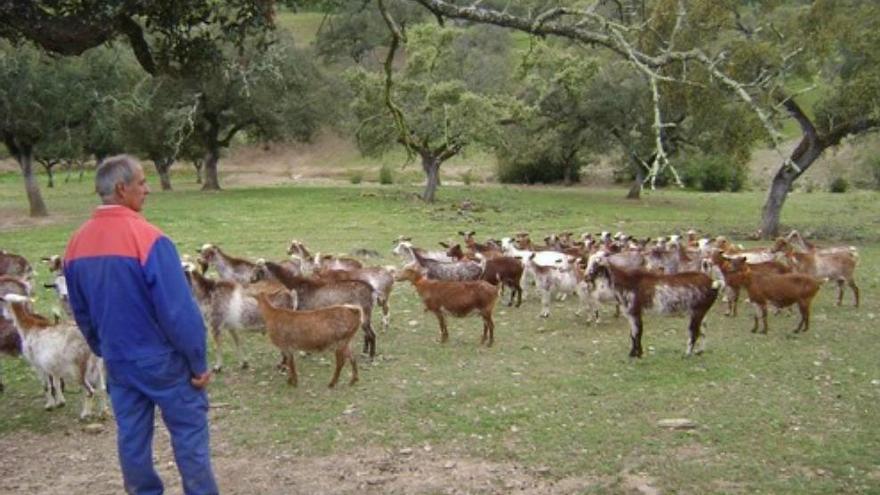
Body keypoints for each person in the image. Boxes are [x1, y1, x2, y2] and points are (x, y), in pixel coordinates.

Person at [63, 155, 219, 495]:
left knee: (132, 438)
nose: (147, 190)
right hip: (163, 360)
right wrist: (198, 362)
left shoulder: (75, 245)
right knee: (189, 433)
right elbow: (178, 312)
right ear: (122, 189)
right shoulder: (149, 239)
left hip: (118, 359)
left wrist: (103, 347)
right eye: (142, 182)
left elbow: (81, 309)